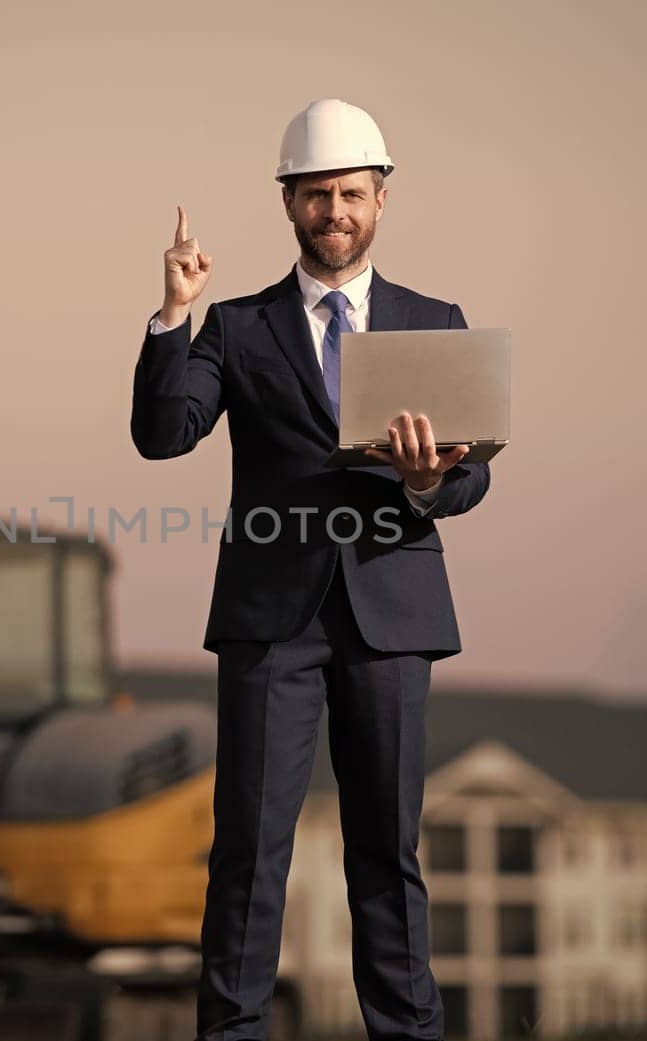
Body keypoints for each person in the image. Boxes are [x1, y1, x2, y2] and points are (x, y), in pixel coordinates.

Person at [130, 98, 492, 1041]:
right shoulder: (236, 328)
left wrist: (426, 485)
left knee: (387, 850)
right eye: (316, 194)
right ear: (288, 202)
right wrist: (176, 311)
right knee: (250, 851)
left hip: (393, 610)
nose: (335, 211)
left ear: (380, 199)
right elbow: (163, 436)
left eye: (351, 194)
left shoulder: (433, 322)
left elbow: (472, 475)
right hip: (270, 621)